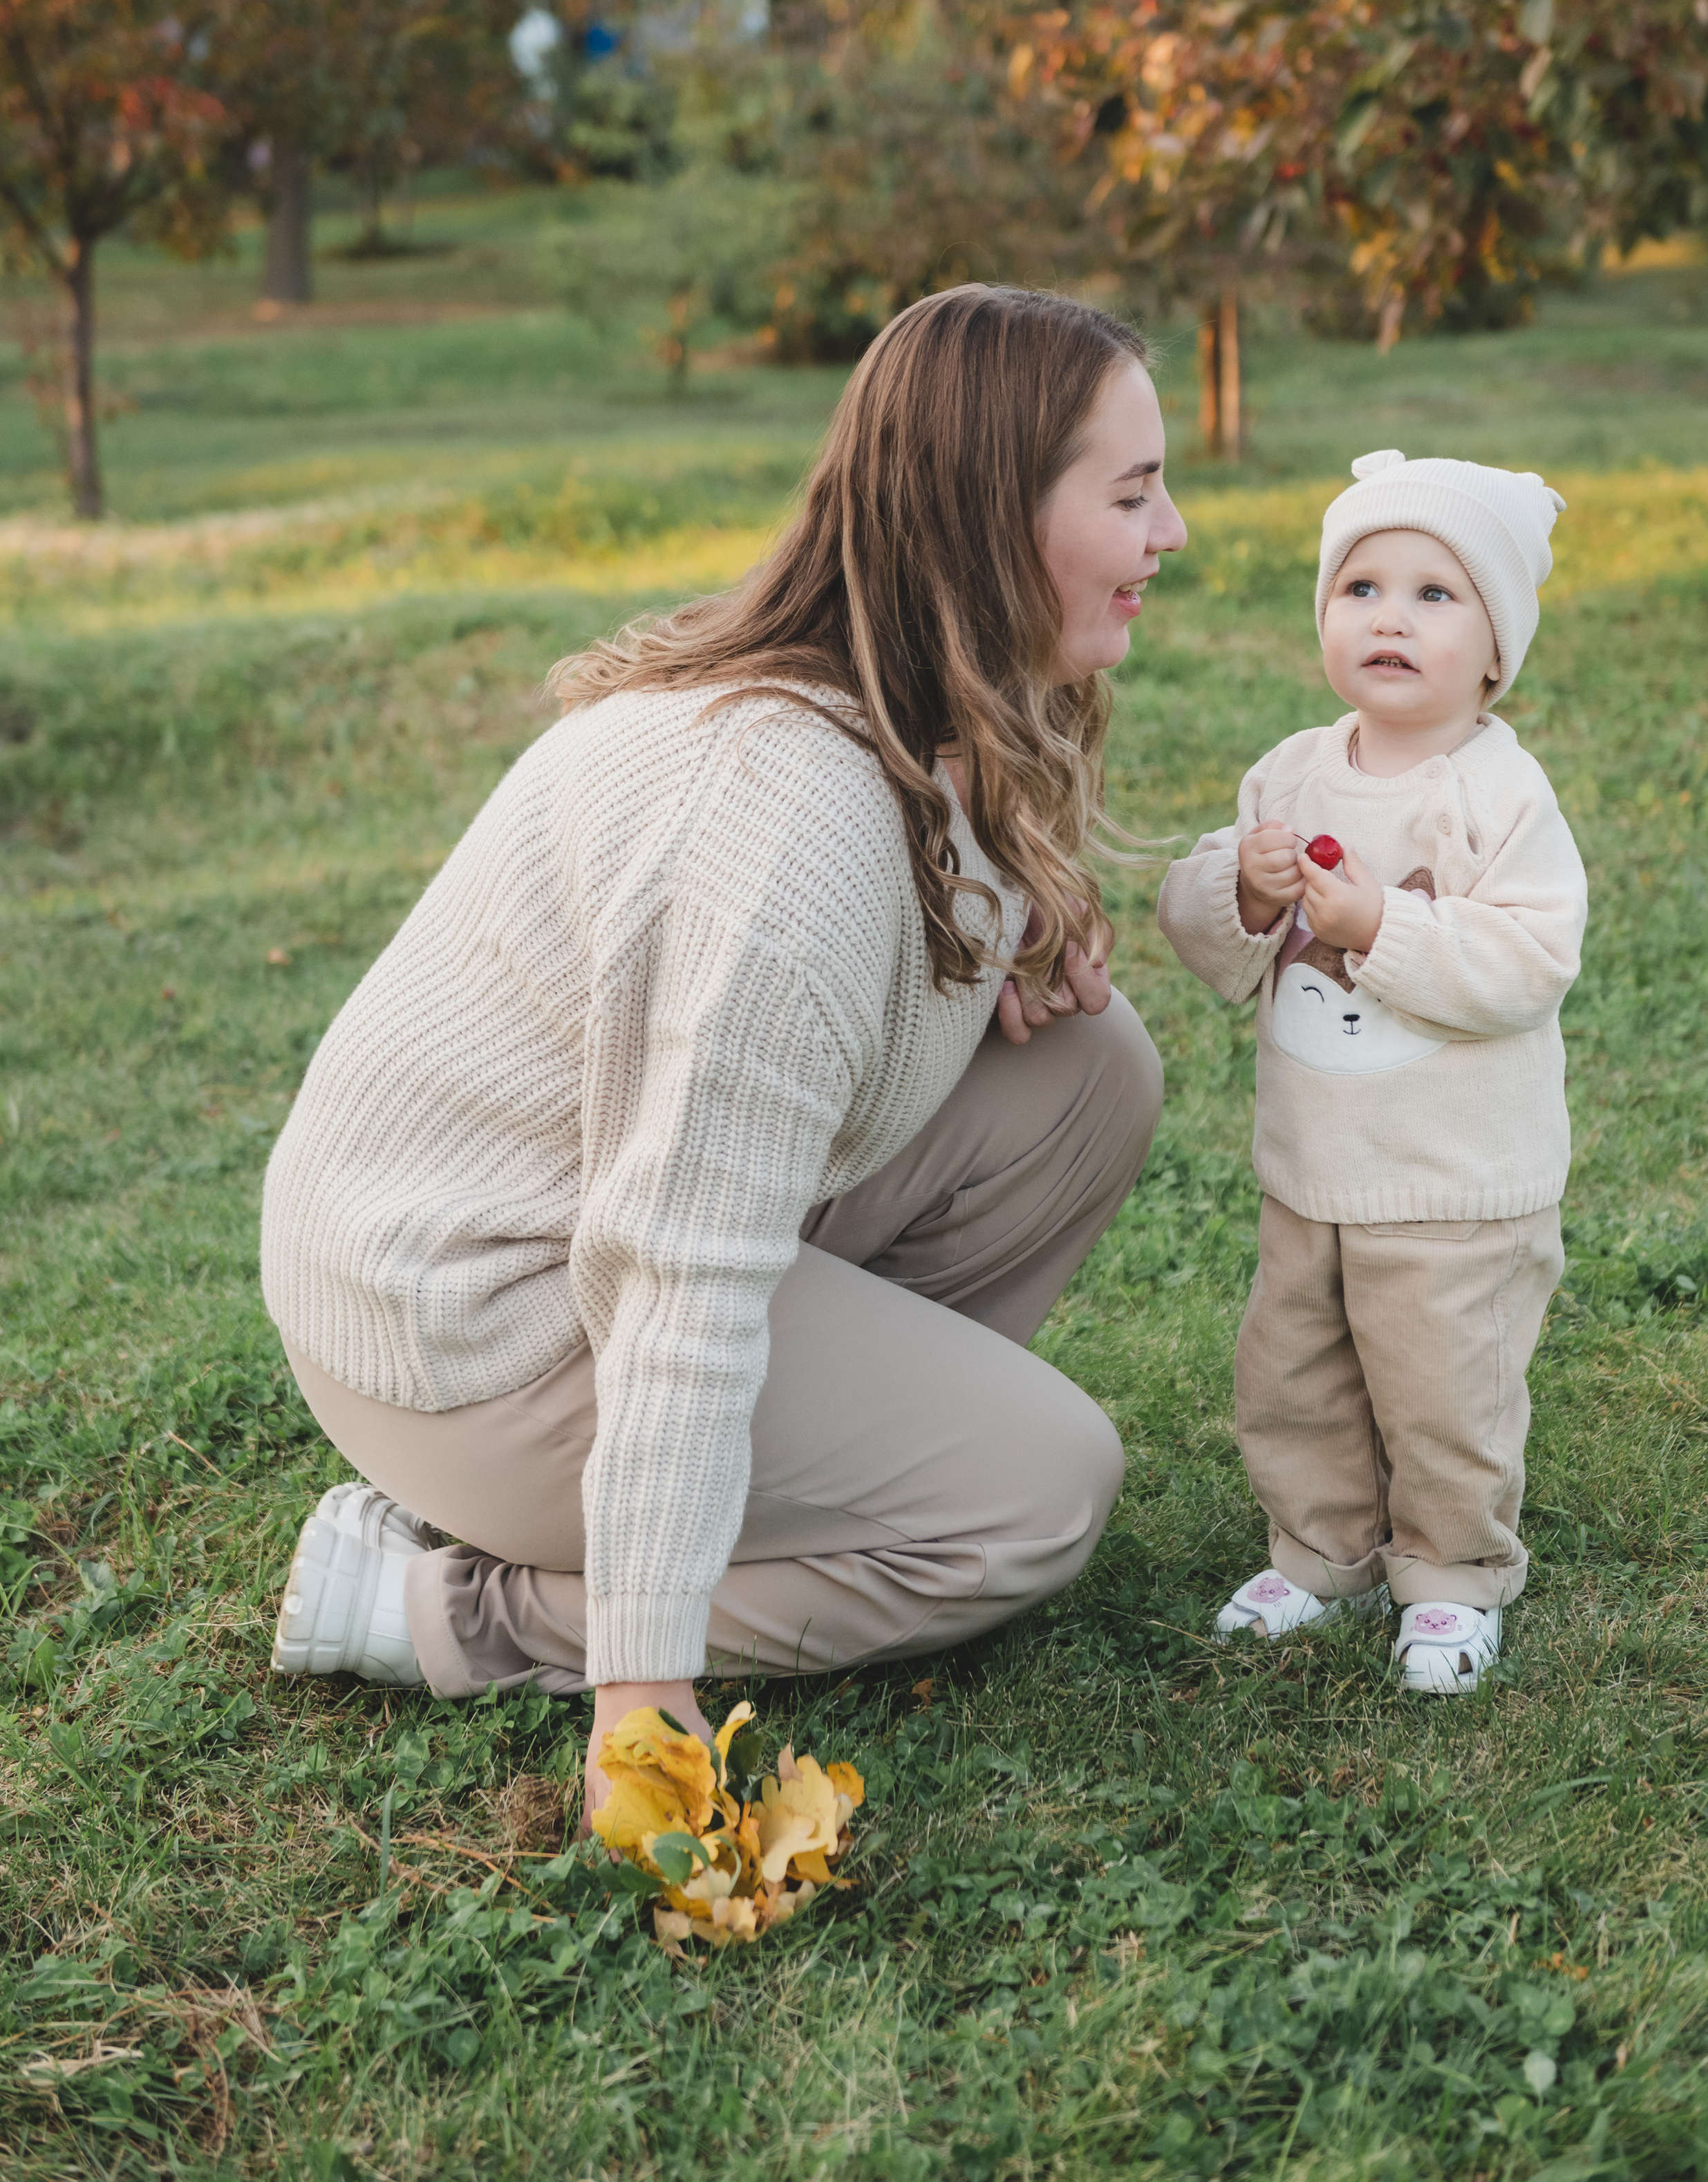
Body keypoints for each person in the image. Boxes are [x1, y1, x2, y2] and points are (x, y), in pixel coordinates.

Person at [263, 283, 1183, 1805]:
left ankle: (775, 1497)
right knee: (1037, 1497)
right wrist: (642, 1692)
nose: (1171, 537)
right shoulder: (783, 827)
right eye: (1132, 494)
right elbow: (674, 1273)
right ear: (983, 516)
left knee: (1087, 1076)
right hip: (468, 1329)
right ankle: (456, 1610)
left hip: (577, 1233)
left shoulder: (920, 709)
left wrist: (1014, 933)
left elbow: (896, 980)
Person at [1158, 450, 1586, 1696]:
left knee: (1442, 1386)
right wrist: (1241, 885)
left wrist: (1373, 928)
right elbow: (1199, 916)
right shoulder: (1291, 773)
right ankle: (1324, 1545)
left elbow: (1526, 957)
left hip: (1456, 1182)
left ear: (1498, 647)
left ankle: (1452, 1572)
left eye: (1435, 595)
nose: (1389, 616)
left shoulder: (1499, 793)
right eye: (1361, 587)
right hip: (1314, 1169)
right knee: (1293, 1370)